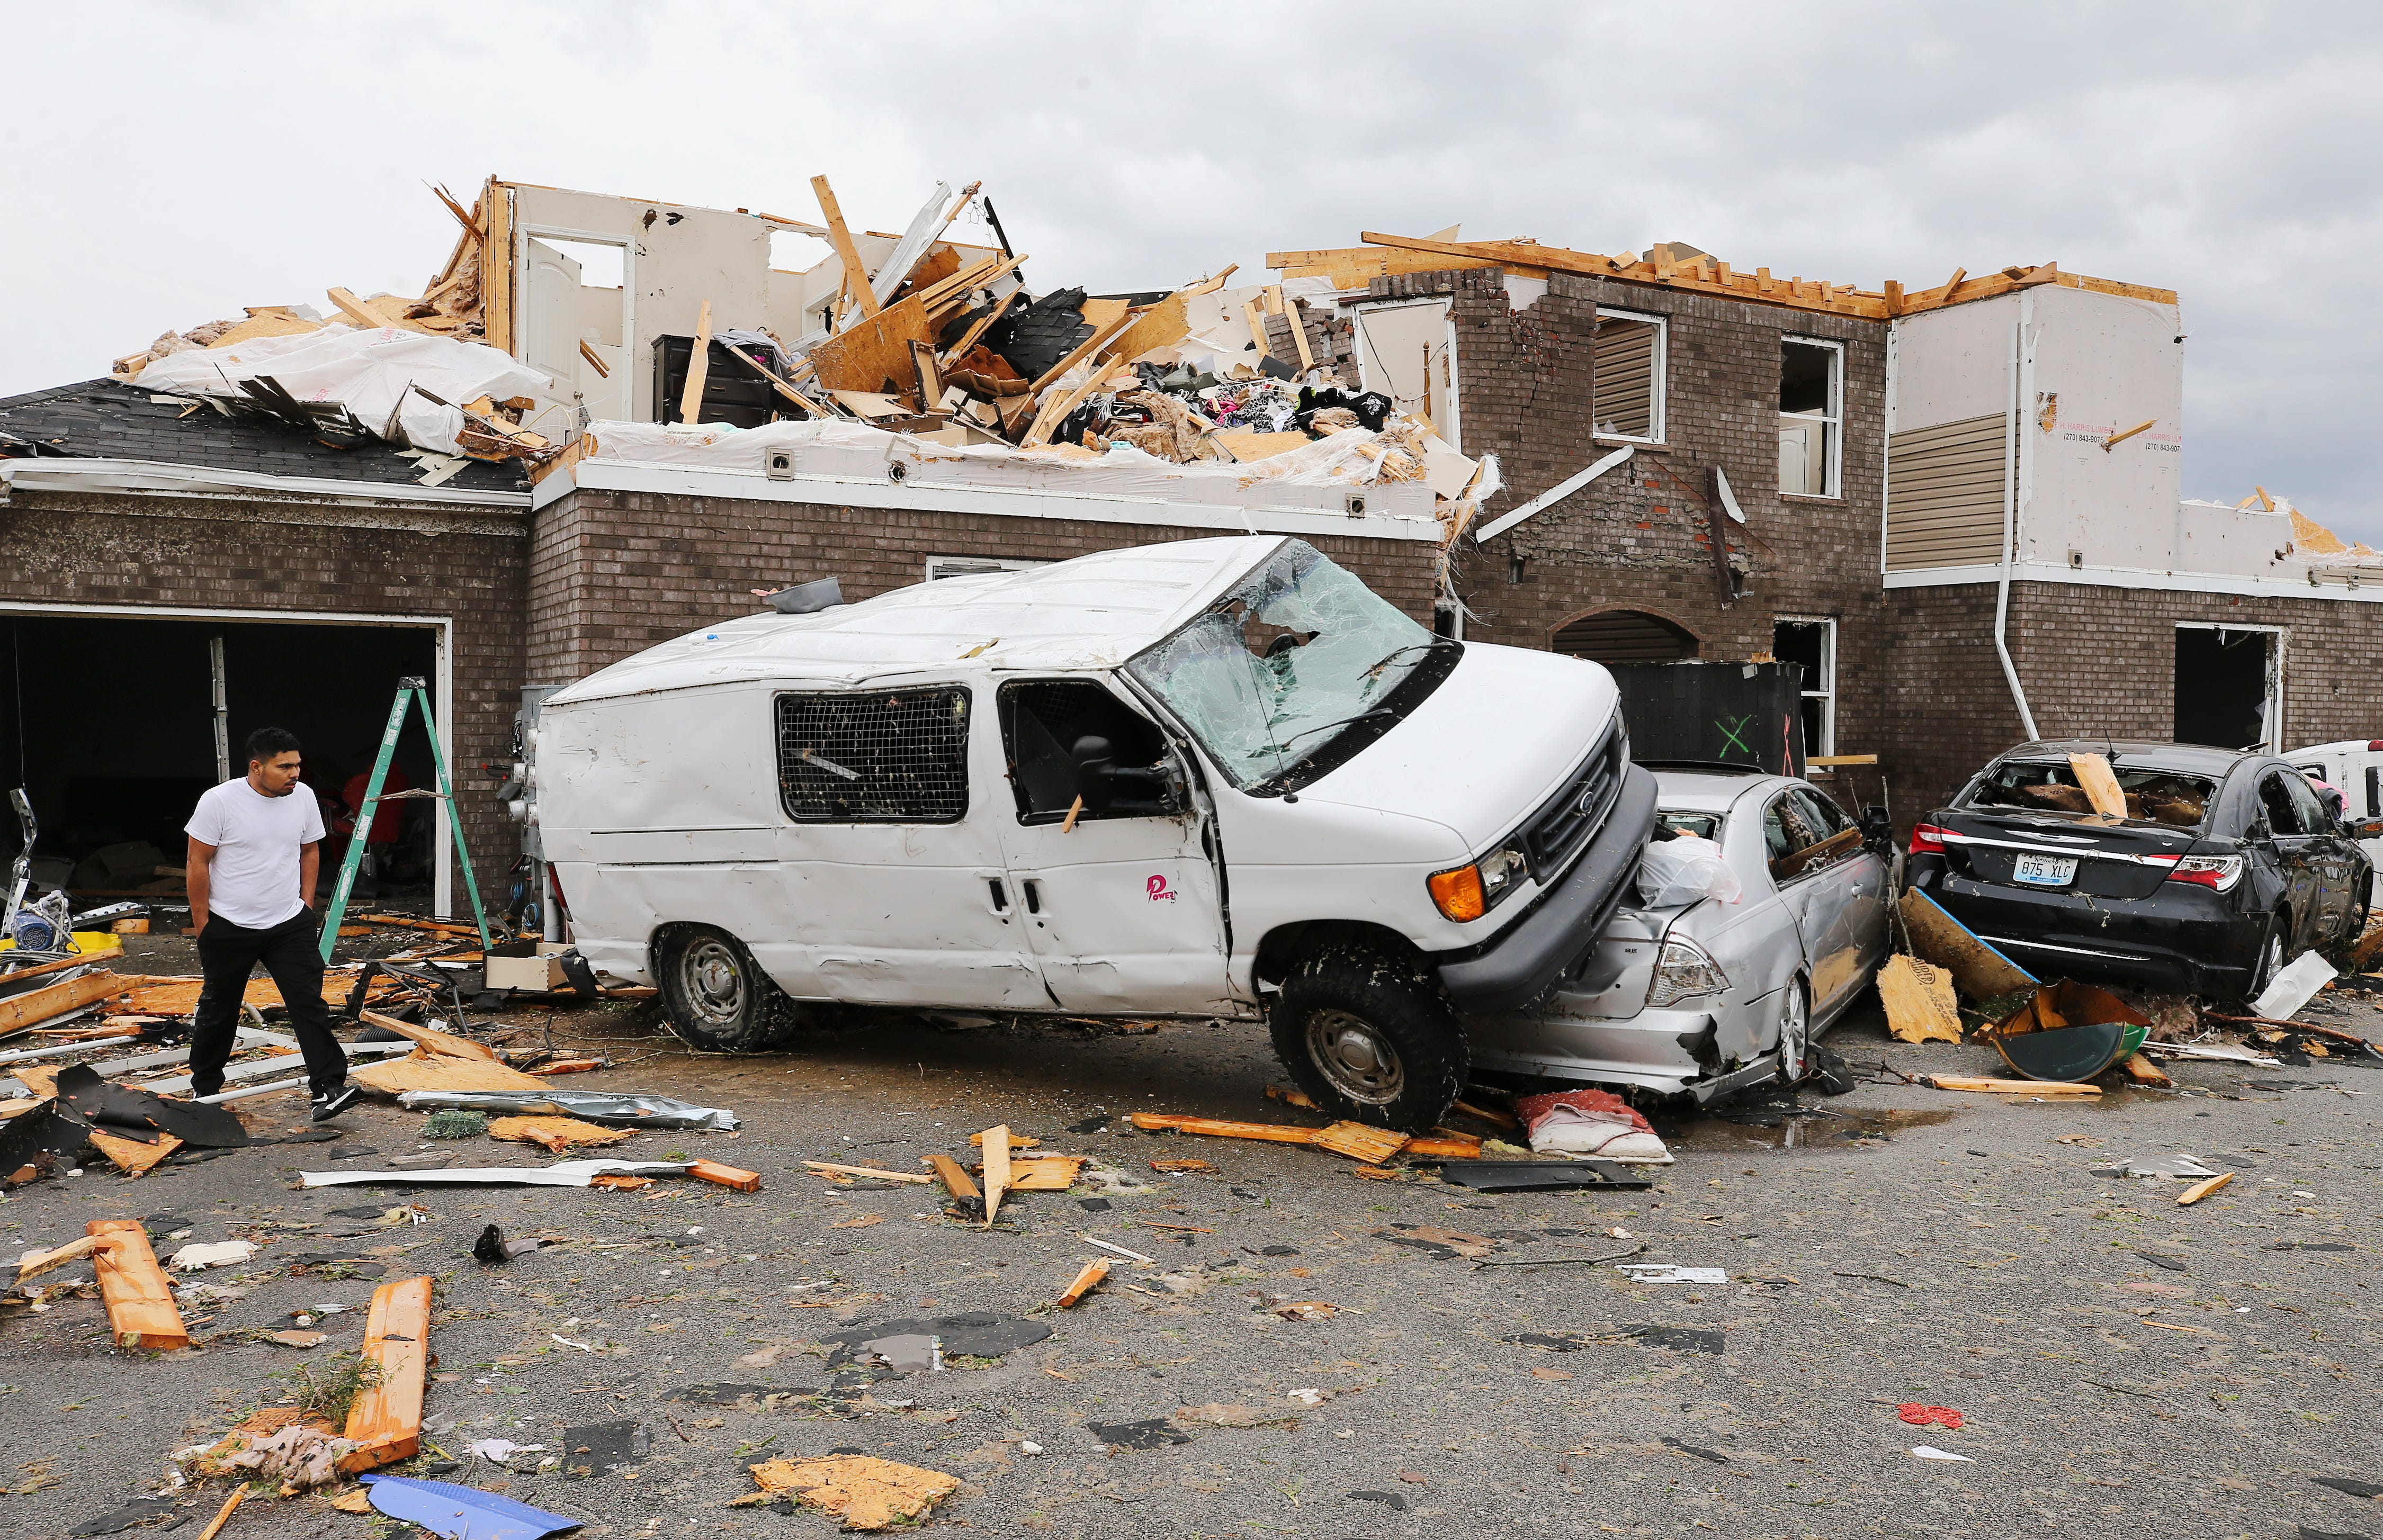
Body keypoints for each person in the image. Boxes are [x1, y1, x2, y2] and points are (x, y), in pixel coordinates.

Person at [186, 726, 358, 1121]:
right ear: (257, 766)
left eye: (297, 765)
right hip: (228, 925)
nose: (295, 773)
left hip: (288, 924)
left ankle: (328, 1088)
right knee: (219, 1009)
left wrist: (306, 905)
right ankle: (205, 1091)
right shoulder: (220, 801)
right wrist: (203, 923)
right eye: (285, 767)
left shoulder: (304, 797)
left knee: (309, 1004)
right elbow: (198, 862)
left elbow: (310, 850)